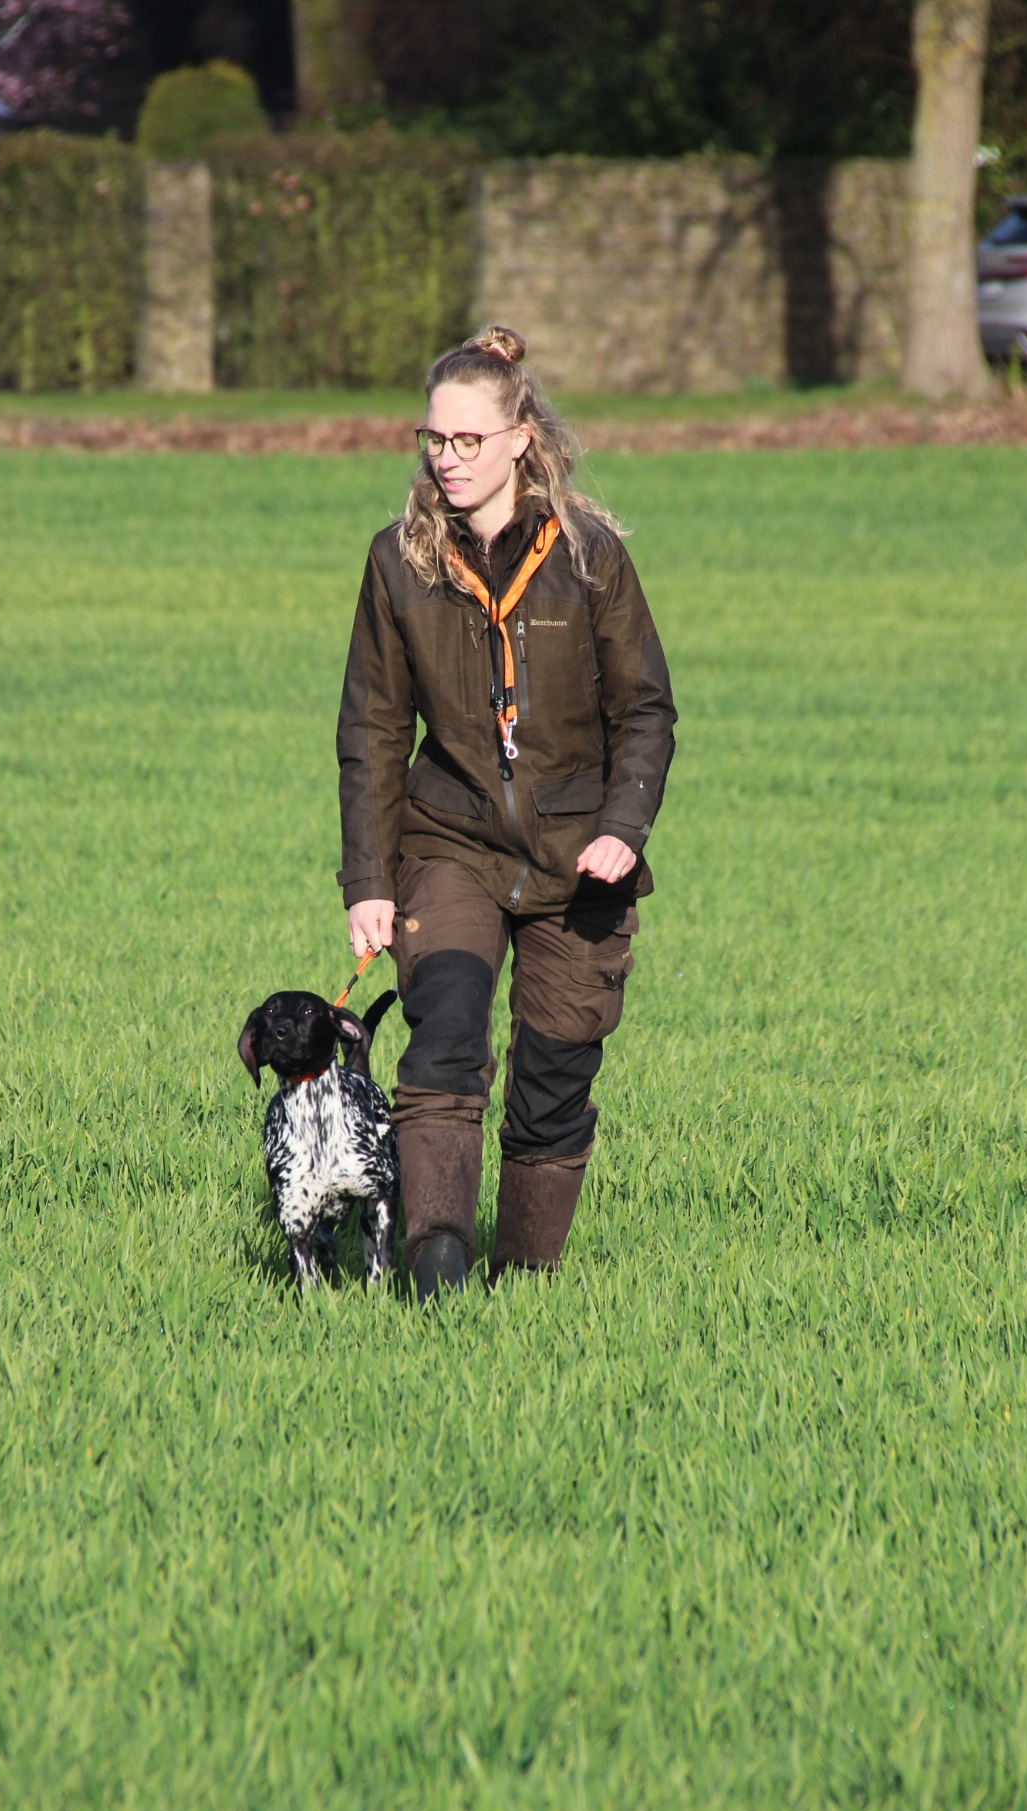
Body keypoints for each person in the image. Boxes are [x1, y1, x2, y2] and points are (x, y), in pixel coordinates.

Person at [335, 326, 677, 1297]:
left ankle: (522, 1284)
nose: (446, 459)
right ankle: (435, 1262)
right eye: (432, 440)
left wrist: (621, 828)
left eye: (467, 440)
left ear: (520, 439)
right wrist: (369, 882)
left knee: (554, 1079)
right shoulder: (399, 562)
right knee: (443, 1036)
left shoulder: (588, 557)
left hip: (581, 856)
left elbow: (645, 710)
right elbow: (372, 729)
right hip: (449, 842)